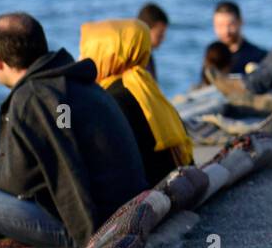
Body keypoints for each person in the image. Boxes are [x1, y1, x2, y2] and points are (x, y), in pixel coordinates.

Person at [0, 13, 148, 248]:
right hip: (121, 215)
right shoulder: (76, 83)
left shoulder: (33, 97)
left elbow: (18, 182)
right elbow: (47, 162)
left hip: (89, 229)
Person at [80, 19, 194, 185]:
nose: (81, 58)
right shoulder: (148, 88)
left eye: (86, 51)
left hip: (145, 198)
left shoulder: (110, 99)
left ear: (106, 53)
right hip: (175, 185)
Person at [209, 3, 267, 76]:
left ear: (241, 22)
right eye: (220, 25)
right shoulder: (212, 57)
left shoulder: (259, 56)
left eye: (230, 25)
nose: (226, 31)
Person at [138, 2, 169, 81]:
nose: (163, 39)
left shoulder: (146, 54)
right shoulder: (139, 59)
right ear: (146, 31)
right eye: (160, 34)